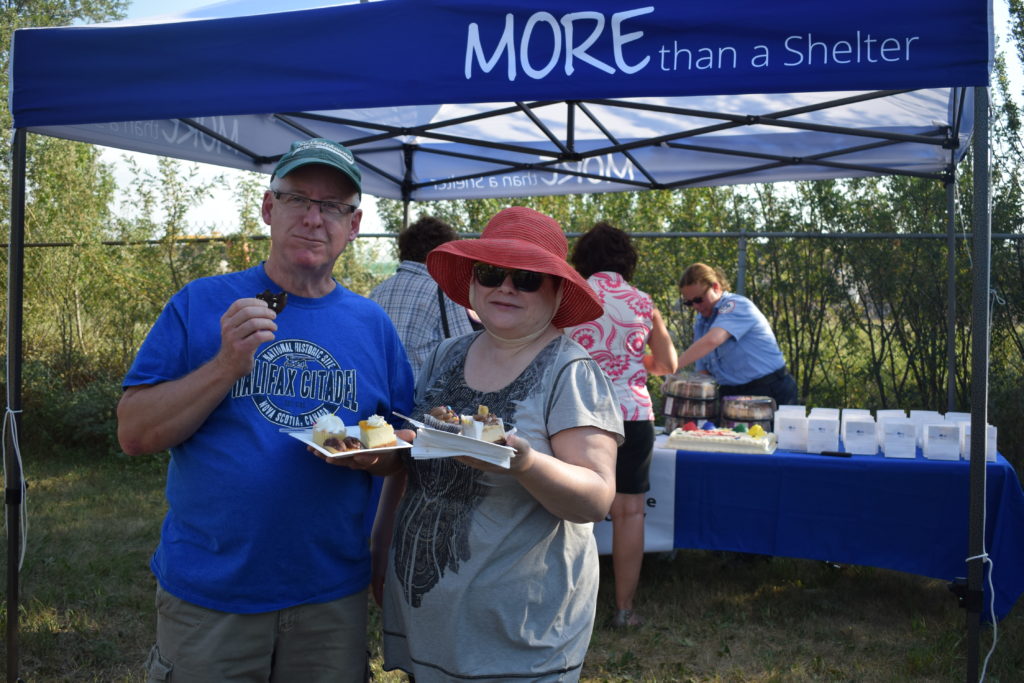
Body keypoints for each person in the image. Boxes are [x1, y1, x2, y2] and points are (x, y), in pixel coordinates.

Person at [116, 138, 414, 682]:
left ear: (354, 225)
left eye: (333, 206)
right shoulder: (201, 303)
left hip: (330, 597)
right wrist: (226, 364)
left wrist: (371, 457)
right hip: (212, 594)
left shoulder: (372, 325)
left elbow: (399, 451)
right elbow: (135, 434)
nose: (313, 218)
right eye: (297, 199)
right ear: (268, 207)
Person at [375, 206, 624, 682]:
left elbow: (596, 498)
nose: (506, 287)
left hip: (520, 629)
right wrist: (380, 544)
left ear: (557, 291)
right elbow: (412, 464)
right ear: (472, 282)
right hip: (431, 617)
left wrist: (525, 464)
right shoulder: (446, 354)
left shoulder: (571, 371)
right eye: (491, 273)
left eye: (527, 279)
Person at [565, 221, 677, 629]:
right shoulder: (644, 303)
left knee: (570, 512)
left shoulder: (569, 296)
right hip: (633, 414)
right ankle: (624, 610)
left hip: (580, 414)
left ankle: (568, 607)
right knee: (630, 514)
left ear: (583, 259)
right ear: (627, 261)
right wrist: (631, 362)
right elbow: (667, 364)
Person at [677, 262, 797, 406]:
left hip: (768, 389)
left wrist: (672, 366)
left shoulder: (736, 305)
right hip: (731, 394)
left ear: (715, 287)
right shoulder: (702, 321)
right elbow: (703, 371)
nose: (696, 306)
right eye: (689, 303)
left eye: (698, 299)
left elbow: (713, 340)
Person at [370, 215, 475, 375]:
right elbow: (465, 350)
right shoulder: (443, 292)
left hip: (382, 385)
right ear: (441, 254)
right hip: (423, 388)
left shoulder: (378, 292)